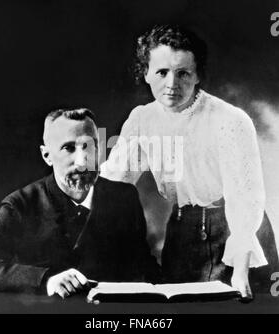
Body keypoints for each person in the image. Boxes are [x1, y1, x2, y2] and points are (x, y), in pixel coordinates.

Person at [101, 25, 278, 299]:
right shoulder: (142, 119)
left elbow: (244, 198)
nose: (172, 84)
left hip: (238, 231)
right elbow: (113, 184)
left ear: (197, 76)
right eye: (162, 72)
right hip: (182, 232)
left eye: (183, 73)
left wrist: (241, 269)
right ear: (146, 73)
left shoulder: (230, 120)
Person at [0, 108, 159, 298]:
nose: (82, 162)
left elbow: (142, 265)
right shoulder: (20, 205)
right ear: (46, 155)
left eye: (89, 146)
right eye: (69, 148)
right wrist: (45, 280)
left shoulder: (124, 197)